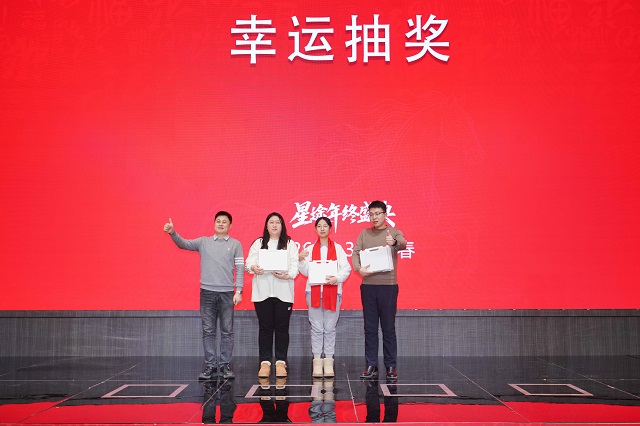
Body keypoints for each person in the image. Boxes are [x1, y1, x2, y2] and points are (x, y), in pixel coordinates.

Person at [163, 212, 244, 380]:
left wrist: (239, 291)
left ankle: (225, 365)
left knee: (227, 331)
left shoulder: (236, 244)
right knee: (208, 331)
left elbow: (240, 269)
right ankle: (210, 365)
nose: (221, 224)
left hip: (227, 293)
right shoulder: (203, 242)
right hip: (207, 293)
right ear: (214, 224)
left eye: (224, 222)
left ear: (230, 226)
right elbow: (184, 244)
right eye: (218, 221)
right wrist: (173, 233)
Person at [351, 200, 407, 380]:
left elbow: (403, 244)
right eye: (371, 214)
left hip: (388, 287)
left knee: (388, 328)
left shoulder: (393, 232)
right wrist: (359, 269)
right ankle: (371, 365)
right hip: (368, 286)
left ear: (385, 215)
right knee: (370, 328)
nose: (374, 217)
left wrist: (394, 242)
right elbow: (355, 253)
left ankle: (390, 366)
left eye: (377, 214)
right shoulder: (364, 233)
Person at [246, 212, 299, 378]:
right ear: (266, 226)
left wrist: (287, 275)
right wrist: (254, 268)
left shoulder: (289, 244)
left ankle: (281, 362)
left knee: (282, 328)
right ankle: (265, 363)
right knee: (265, 328)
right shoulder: (259, 243)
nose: (274, 225)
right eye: (271, 222)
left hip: (284, 292)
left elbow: (295, 266)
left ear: (282, 226)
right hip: (262, 292)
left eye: (278, 222)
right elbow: (249, 262)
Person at [298, 217, 351, 378]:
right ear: (315, 229)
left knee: (329, 328)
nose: (322, 229)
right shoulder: (309, 249)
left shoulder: (338, 249)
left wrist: (337, 278)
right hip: (313, 292)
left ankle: (328, 361)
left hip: (333, 292)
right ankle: (317, 361)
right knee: (316, 328)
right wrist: (301, 260)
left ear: (330, 229)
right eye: (319, 226)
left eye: (325, 226)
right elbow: (305, 272)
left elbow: (346, 268)